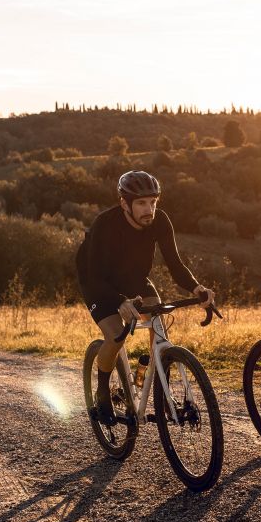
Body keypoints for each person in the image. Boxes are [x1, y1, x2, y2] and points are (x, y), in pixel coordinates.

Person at [76, 170, 214, 425]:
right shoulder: (105, 224)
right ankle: (103, 391)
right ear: (124, 203)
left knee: (159, 326)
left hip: (134, 280)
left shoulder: (160, 221)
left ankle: (153, 380)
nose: (148, 209)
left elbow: (175, 264)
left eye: (152, 202)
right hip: (98, 282)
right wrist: (119, 301)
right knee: (116, 335)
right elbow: (94, 276)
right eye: (141, 203)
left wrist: (197, 289)